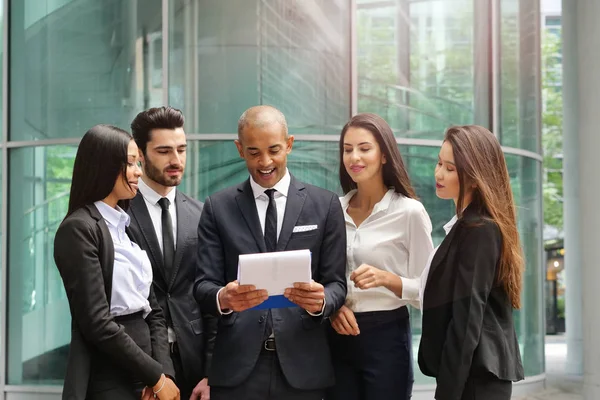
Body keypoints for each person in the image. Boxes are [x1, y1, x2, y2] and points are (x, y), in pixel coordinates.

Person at [194, 105, 347, 400]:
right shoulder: (217, 207)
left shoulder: (325, 205)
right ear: (239, 149)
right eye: (253, 152)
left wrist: (321, 301)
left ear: (289, 144)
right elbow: (203, 284)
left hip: (303, 368)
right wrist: (222, 298)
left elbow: (337, 283)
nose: (265, 162)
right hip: (237, 370)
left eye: (274, 150)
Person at [53, 125, 179, 400]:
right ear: (105, 165)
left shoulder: (125, 227)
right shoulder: (79, 229)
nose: (138, 172)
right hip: (109, 377)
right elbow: (97, 321)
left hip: (146, 373)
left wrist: (163, 374)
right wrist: (155, 377)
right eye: (131, 163)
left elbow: (154, 311)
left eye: (139, 163)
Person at [327, 113, 433, 400]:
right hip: (337, 335)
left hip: (387, 337)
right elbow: (321, 276)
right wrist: (333, 308)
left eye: (364, 148)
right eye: (347, 149)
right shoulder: (332, 210)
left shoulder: (409, 212)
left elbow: (430, 290)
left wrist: (388, 279)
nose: (354, 157)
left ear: (384, 155)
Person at [418, 125, 525, 400]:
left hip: (476, 378)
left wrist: (447, 394)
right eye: (439, 163)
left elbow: (467, 319)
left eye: (450, 168)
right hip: (470, 373)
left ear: (476, 177)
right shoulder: (466, 224)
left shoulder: (479, 229)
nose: (439, 174)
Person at [128, 106, 216, 400]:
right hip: (140, 367)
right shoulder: (120, 214)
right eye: (164, 151)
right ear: (140, 152)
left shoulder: (201, 214)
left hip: (194, 365)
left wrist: (210, 371)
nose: (176, 160)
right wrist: (150, 373)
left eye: (181, 149)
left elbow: (211, 299)